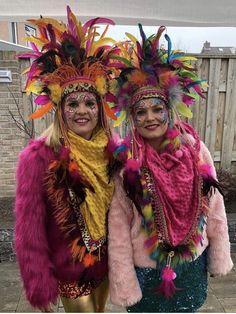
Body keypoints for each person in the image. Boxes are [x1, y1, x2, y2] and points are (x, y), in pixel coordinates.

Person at [107, 25, 234, 312]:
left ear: (169, 109)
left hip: (192, 268)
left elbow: (215, 208)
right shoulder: (127, 164)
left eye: (157, 108)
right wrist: (125, 283)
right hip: (147, 273)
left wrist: (219, 256)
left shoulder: (196, 151)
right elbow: (118, 226)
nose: (150, 117)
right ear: (132, 117)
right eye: (141, 111)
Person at [14, 6, 120, 312]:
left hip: (105, 265)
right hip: (69, 269)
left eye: (89, 102)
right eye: (72, 103)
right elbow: (28, 227)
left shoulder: (113, 151)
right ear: (60, 110)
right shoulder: (38, 157)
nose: (82, 111)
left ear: (101, 107)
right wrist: (38, 280)